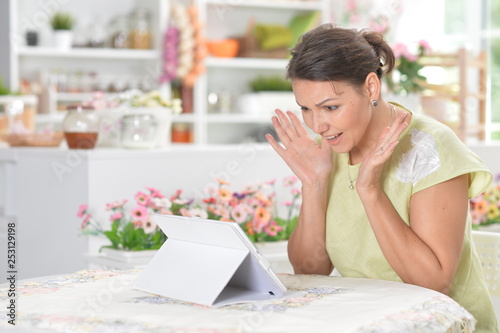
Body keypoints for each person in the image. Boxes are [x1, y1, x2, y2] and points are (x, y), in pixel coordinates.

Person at [265, 23, 498, 332]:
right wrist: (314, 184)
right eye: (306, 109)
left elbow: (433, 282)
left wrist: (370, 188)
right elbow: (311, 268)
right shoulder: (328, 149)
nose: (317, 125)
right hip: (368, 322)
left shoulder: (431, 149)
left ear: (371, 88)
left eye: (330, 107)